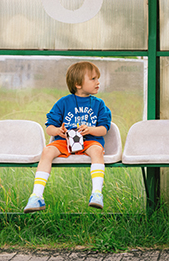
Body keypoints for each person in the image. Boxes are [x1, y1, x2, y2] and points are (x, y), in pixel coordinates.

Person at [24, 61, 112, 213]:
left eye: (98, 78)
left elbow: (103, 129)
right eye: (93, 79)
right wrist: (58, 131)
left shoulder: (99, 104)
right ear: (78, 84)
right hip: (65, 142)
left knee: (97, 151)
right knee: (47, 151)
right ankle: (36, 196)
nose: (98, 82)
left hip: (89, 141)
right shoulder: (63, 103)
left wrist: (91, 129)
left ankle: (97, 193)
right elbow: (49, 128)